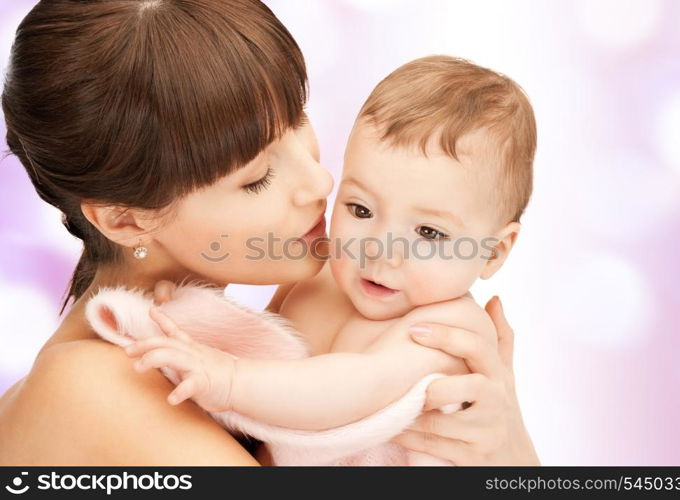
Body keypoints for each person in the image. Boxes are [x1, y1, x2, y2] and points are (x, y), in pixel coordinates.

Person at [0, 0, 537, 466]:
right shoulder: (93, 387)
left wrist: (504, 445)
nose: (318, 181)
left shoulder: (225, 328)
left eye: (297, 118)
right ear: (125, 219)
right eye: (256, 178)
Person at [122, 56, 538, 466]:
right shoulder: (317, 277)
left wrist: (228, 380)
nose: (378, 249)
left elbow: (353, 388)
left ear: (493, 251)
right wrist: (198, 322)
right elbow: (263, 359)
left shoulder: (447, 331)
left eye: (428, 233)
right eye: (360, 209)